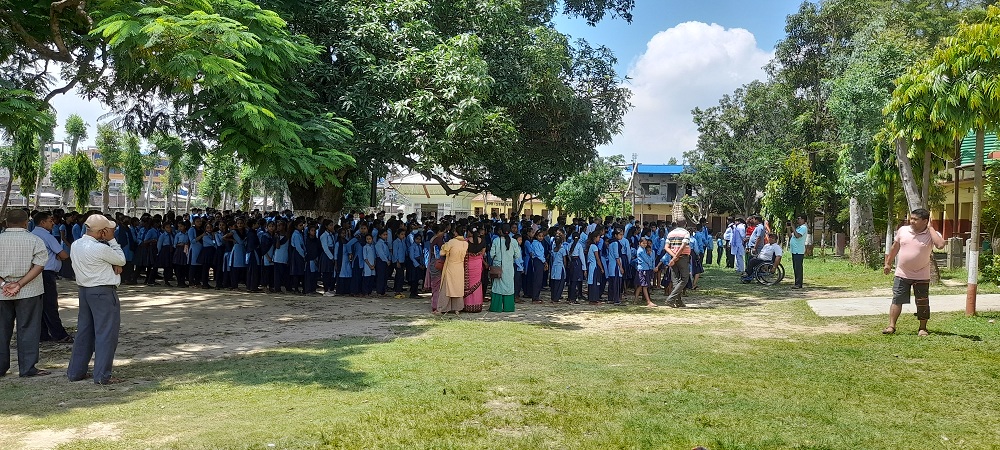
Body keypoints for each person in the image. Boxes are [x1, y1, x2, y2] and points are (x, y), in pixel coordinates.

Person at [67, 214, 127, 385]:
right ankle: (102, 375)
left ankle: (75, 372)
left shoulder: (77, 244)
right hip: (102, 292)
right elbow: (121, 260)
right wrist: (113, 241)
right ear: (103, 232)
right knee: (106, 333)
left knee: (84, 332)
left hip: (84, 290)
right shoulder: (100, 248)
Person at [0, 209, 51, 377]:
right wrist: (19, 284)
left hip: (2, 292)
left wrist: (4, 284)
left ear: (6, 223)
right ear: (26, 223)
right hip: (29, 290)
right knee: (28, 328)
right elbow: (39, 266)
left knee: (1, 329)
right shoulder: (34, 240)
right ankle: (28, 368)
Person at [882, 208, 945, 336]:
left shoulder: (931, 234)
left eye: (915, 219)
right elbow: (895, 247)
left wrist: (931, 228)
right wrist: (888, 263)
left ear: (925, 221)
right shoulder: (903, 230)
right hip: (902, 273)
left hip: (922, 275)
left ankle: (922, 328)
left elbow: (940, 245)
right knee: (897, 299)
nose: (911, 221)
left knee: (922, 302)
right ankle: (891, 326)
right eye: (911, 218)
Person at [31, 212, 73, 343]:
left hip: (35, 273)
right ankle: (59, 334)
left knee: (41, 305)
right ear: (42, 222)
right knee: (50, 305)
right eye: (50, 221)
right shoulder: (47, 236)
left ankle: (42, 334)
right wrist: (59, 255)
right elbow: (64, 255)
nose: (53, 223)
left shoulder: (32, 235)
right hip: (46, 272)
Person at [489, 224, 521, 312]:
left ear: (500, 231)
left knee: (497, 287)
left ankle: (496, 307)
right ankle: (508, 307)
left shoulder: (496, 240)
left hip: (498, 268)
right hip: (509, 267)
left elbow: (491, 255)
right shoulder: (514, 241)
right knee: (509, 286)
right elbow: (517, 255)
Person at [438, 225, 469, 315]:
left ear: (455, 232)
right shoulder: (466, 243)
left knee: (446, 288)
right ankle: (457, 308)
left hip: (451, 267)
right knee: (458, 288)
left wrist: (444, 247)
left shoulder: (451, 242)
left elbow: (442, 253)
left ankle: (442, 308)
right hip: (460, 267)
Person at [664, 221, 691, 308]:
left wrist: (673, 256)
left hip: (673, 256)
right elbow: (682, 246)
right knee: (684, 278)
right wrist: (676, 257)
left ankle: (678, 301)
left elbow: (666, 247)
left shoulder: (671, 233)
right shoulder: (686, 233)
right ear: (685, 224)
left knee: (675, 279)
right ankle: (671, 299)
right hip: (682, 257)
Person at [634, 237, 656, 307]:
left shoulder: (643, 249)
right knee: (645, 285)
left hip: (644, 269)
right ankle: (648, 301)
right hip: (643, 269)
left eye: (646, 243)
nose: (645, 244)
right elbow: (646, 259)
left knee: (641, 285)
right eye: (643, 243)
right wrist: (652, 267)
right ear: (640, 243)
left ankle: (635, 300)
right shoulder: (641, 251)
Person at [788, 215, 807, 289]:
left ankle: (799, 284)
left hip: (799, 251)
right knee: (795, 267)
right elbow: (791, 236)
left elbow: (797, 236)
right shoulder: (798, 228)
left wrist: (792, 226)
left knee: (798, 268)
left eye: (799, 219)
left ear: (803, 220)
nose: (798, 220)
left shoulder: (803, 228)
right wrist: (788, 228)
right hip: (794, 250)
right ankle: (796, 283)